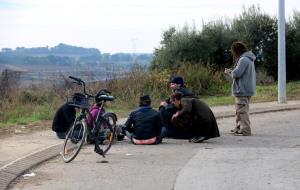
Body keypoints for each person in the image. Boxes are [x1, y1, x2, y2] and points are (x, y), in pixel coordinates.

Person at [224, 41, 256, 136]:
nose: (233, 53)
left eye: (233, 51)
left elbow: (236, 74)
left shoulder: (243, 60)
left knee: (242, 111)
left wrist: (229, 72)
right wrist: (233, 71)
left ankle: (245, 130)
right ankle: (238, 128)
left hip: (242, 89)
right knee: (239, 110)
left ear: (237, 51)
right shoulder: (249, 59)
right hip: (247, 88)